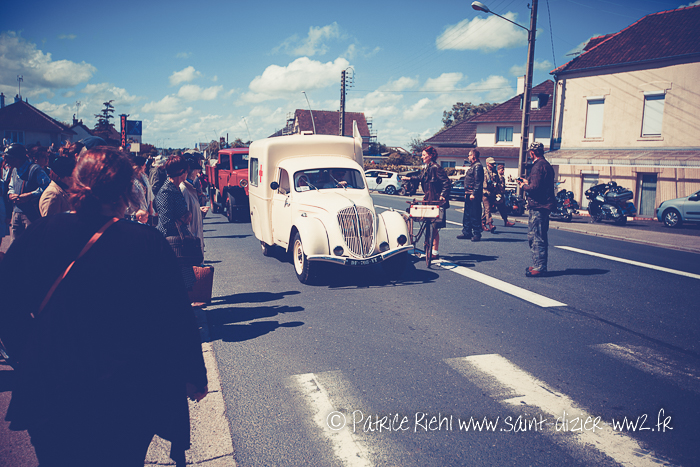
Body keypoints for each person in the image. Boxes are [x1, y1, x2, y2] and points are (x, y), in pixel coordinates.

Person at [0, 146, 208, 466]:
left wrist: (27, 351)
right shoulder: (146, 242)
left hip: (52, 385)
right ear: (127, 191)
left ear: (76, 183)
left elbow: (6, 302)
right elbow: (175, 317)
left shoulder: (39, 233)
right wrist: (194, 374)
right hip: (124, 389)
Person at [155, 155, 197, 289]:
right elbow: (166, 222)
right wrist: (183, 219)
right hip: (171, 244)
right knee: (175, 283)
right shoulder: (166, 191)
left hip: (180, 242)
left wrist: (187, 215)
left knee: (185, 283)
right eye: (186, 171)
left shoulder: (176, 188)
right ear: (181, 172)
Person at [402, 146, 451, 258]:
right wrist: (409, 178)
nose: (422, 157)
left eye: (424, 155)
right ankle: (428, 248)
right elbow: (421, 177)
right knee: (427, 225)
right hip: (428, 200)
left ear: (430, 156)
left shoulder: (436, 168)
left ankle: (435, 252)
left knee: (435, 226)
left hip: (436, 201)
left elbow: (446, 183)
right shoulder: (427, 168)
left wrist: (443, 195)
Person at [517, 142, 556, 277]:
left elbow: (534, 188)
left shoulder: (537, 166)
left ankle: (540, 267)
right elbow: (540, 184)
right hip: (544, 205)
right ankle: (538, 264)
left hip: (539, 206)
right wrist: (527, 182)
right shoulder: (546, 165)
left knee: (536, 237)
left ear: (532, 153)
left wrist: (523, 186)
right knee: (539, 235)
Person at [5, 144, 51, 241]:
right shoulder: (14, 170)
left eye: (9, 158)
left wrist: (31, 195)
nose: (6, 161)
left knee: (32, 242)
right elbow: (11, 186)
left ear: (17, 159)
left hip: (31, 214)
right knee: (15, 243)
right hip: (16, 212)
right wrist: (11, 194)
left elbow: (48, 187)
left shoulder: (35, 169)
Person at [181, 154, 209, 258]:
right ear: (192, 172)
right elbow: (185, 214)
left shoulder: (189, 187)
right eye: (196, 171)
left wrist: (199, 210)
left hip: (194, 235)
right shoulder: (184, 189)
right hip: (191, 237)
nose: (197, 174)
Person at [457, 149, 484, 241]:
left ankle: (477, 233)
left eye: (469, 155)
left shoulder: (477, 166)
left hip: (474, 194)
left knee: (475, 214)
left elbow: (478, 181)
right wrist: (467, 193)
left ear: (473, 156)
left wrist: (474, 193)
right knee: (467, 214)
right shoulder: (473, 166)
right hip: (469, 193)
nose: (468, 157)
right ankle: (467, 232)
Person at [481, 157, 499, 233]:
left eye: (493, 164)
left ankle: (482, 222)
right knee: (487, 208)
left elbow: (497, 181)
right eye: (491, 164)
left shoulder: (495, 172)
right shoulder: (484, 172)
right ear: (487, 163)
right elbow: (483, 183)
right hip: (485, 192)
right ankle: (490, 224)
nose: (493, 165)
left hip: (492, 193)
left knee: (488, 209)